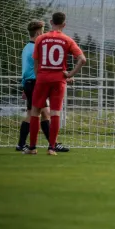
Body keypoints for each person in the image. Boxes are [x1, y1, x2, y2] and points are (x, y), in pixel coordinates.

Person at [24, 12, 86, 155]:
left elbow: (36, 62)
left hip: (42, 78)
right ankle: (51, 148)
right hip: (59, 80)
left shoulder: (40, 38)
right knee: (55, 112)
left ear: (51, 22)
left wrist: (40, 76)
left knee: (35, 112)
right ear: (64, 25)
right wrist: (70, 74)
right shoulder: (67, 40)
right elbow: (82, 59)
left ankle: (32, 147)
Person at [16, 20, 69, 152]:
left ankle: (25, 144)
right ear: (39, 32)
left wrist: (24, 86)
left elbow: (25, 69)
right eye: (43, 30)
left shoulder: (26, 47)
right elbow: (42, 66)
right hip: (35, 83)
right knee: (40, 113)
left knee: (38, 113)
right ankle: (52, 144)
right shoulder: (37, 47)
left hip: (29, 83)